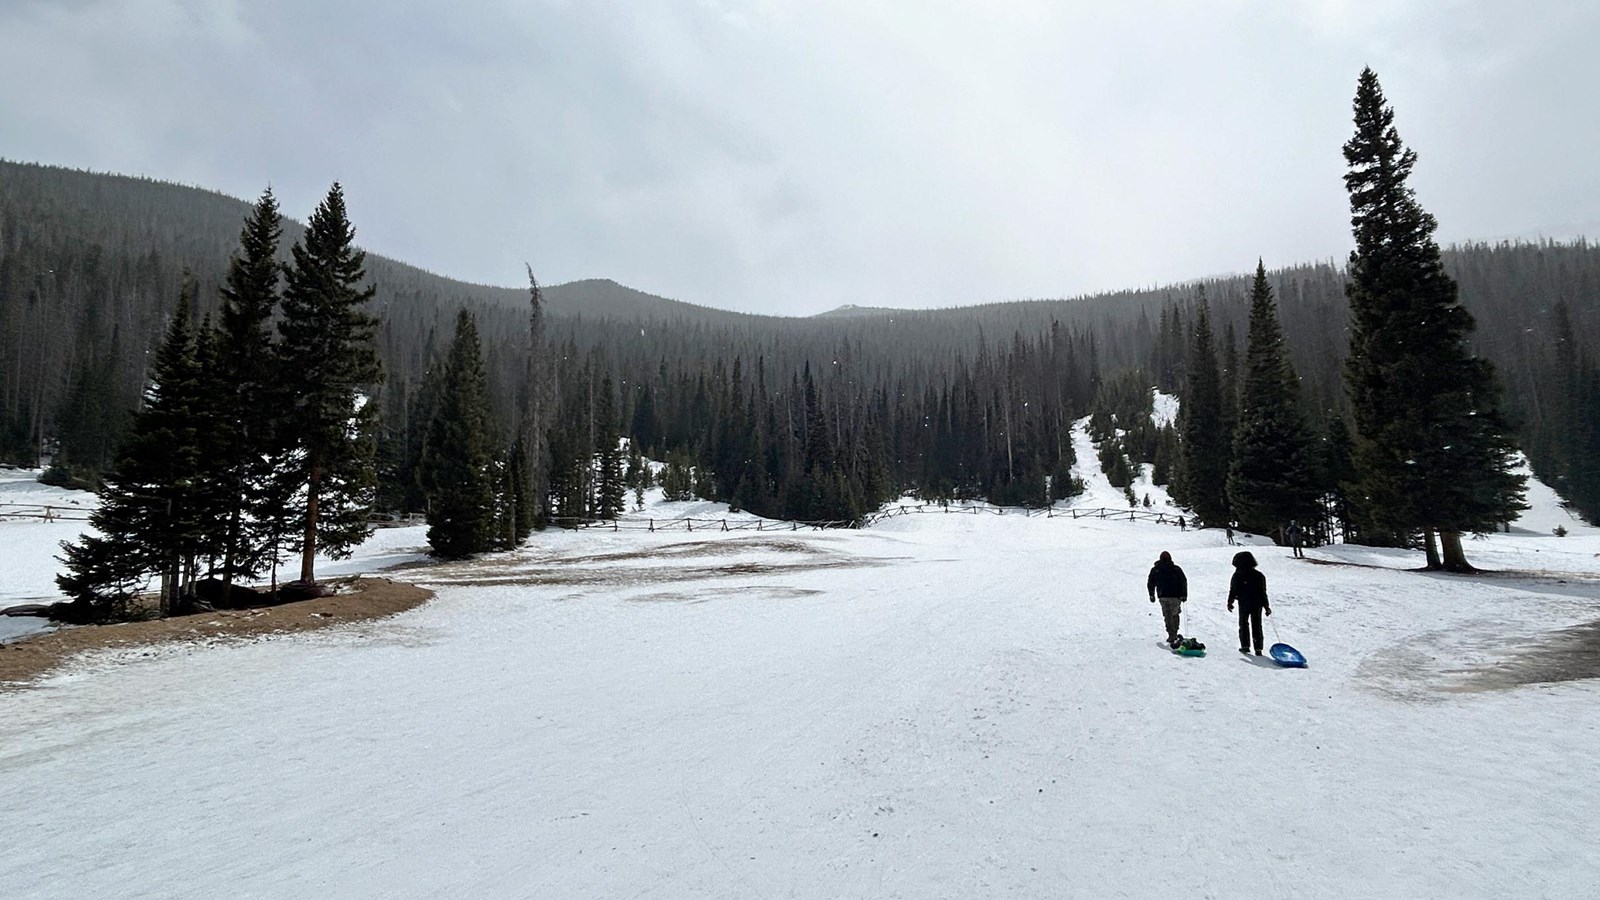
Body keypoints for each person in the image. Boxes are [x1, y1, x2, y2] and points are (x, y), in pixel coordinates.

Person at [1227, 550, 1271, 655]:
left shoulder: (1237, 575)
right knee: (1257, 625)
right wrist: (1266, 606)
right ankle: (1258, 648)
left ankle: (1245, 645)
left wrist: (1230, 602)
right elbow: (1263, 592)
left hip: (1244, 602)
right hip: (1257, 603)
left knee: (1243, 624)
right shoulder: (1259, 575)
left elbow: (1233, 590)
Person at [1147, 551, 1188, 647]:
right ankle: (1174, 633)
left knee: (1167, 615)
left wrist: (1151, 594)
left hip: (1163, 596)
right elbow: (1183, 581)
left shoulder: (1156, 569)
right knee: (1174, 615)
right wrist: (1184, 594)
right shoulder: (1176, 569)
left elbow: (1150, 582)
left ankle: (1171, 635)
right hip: (1175, 596)